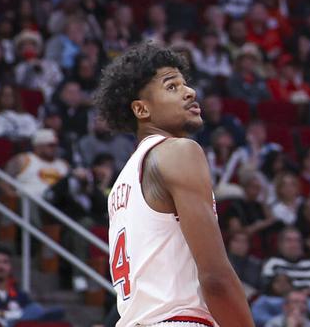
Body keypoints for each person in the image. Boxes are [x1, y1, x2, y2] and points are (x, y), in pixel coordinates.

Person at [95, 42, 254, 327]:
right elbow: (215, 276)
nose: (190, 91)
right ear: (142, 109)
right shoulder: (179, 151)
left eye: (185, 84)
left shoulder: (123, 182)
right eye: (172, 86)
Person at [0, 244, 65, 326]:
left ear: (10, 267)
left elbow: (34, 312)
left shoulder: (19, 294)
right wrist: (15, 315)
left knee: (45, 310)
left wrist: (4, 314)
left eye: (5, 262)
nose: (1, 266)